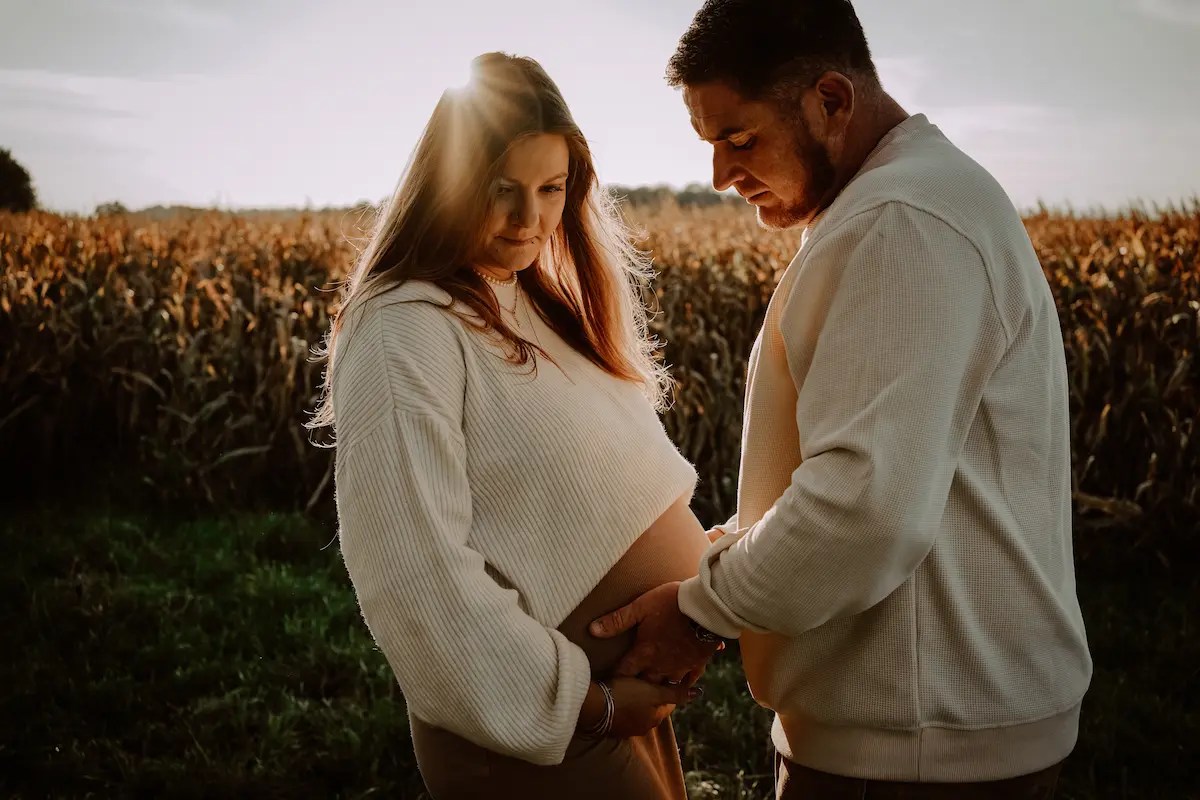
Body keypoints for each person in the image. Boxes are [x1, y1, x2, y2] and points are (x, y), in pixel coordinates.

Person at [590, 1, 1094, 797]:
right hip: (932, 726)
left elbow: (865, 509)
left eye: (739, 139)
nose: (720, 176)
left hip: (913, 745)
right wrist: (731, 557)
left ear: (830, 100)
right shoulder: (910, 201)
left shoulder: (901, 223)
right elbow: (886, 477)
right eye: (709, 144)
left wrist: (699, 613)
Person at [308, 53, 711, 798]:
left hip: (612, 706)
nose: (530, 220)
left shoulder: (532, 297)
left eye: (551, 189)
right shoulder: (403, 329)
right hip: (536, 731)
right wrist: (585, 704)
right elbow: (416, 572)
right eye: (502, 190)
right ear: (450, 182)